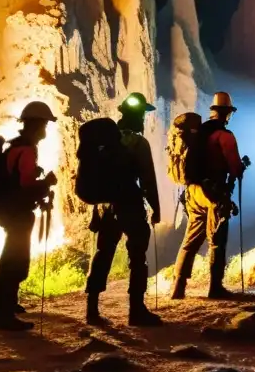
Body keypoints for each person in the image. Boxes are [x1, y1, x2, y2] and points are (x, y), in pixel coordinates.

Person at [85, 92, 163, 327]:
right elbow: (147, 179)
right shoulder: (138, 142)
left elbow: (97, 177)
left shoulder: (104, 143)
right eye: (142, 116)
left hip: (106, 206)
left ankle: (92, 308)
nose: (143, 120)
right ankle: (136, 310)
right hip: (129, 204)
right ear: (138, 116)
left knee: (103, 253)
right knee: (138, 257)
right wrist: (156, 208)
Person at [0, 101, 57, 331]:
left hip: (11, 211)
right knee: (14, 261)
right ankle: (2, 314)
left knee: (13, 258)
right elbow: (25, 184)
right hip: (16, 213)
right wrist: (45, 182)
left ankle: (8, 305)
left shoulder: (16, 148)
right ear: (36, 126)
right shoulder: (25, 150)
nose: (46, 129)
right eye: (45, 124)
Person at [170, 91, 245, 300]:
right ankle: (215, 287)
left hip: (192, 192)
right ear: (227, 113)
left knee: (191, 239)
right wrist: (239, 170)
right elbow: (235, 167)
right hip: (212, 193)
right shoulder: (224, 136)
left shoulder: (198, 133)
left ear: (213, 111)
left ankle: (178, 287)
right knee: (217, 240)